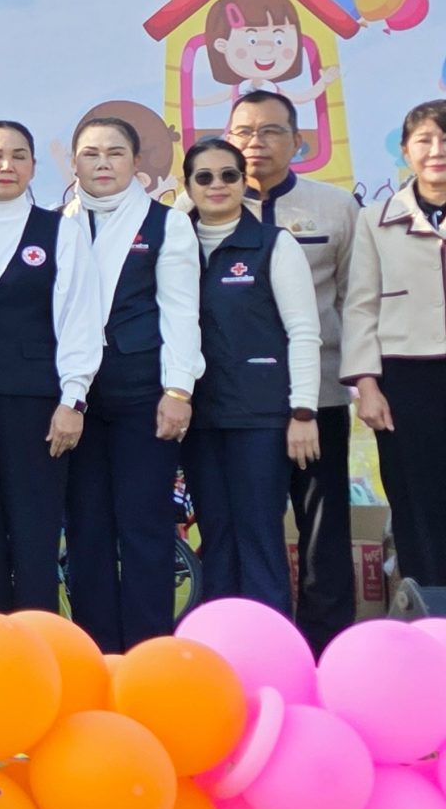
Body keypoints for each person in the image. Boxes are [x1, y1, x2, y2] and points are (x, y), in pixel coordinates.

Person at [0, 121, 104, 614]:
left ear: (33, 166)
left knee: (35, 530)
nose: (6, 165)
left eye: (19, 155)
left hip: (37, 403)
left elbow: (80, 320)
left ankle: (37, 638)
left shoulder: (61, 232)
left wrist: (73, 399)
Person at [60, 114, 201, 651]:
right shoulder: (57, 223)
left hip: (144, 393)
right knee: (86, 529)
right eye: (91, 153)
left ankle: (148, 652)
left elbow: (181, 313)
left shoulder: (167, 224)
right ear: (74, 164)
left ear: (136, 162)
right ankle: (95, 651)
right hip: (75, 400)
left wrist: (178, 390)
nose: (103, 164)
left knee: (144, 527)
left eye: (115, 153)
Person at [230, 90, 360, 649]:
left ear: (298, 141)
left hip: (320, 397)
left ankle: (327, 651)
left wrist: (361, 380)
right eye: (243, 131)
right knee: (246, 530)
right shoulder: (199, 205)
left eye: (270, 131)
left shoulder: (335, 207)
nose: (255, 143)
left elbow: (356, 301)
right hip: (238, 402)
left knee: (323, 532)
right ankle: (257, 648)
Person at [181, 136, 321, 610]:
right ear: (188, 186)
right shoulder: (174, 246)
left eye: (229, 175)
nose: (217, 185)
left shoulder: (273, 244)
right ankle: (218, 642)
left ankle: (270, 644)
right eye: (204, 177)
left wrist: (303, 411)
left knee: (259, 534)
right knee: (216, 535)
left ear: (245, 183)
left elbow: (304, 331)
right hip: (197, 418)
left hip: (261, 417)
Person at [343, 99, 446, 590]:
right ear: (406, 150)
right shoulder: (377, 219)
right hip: (406, 377)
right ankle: (432, 609)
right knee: (417, 499)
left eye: (445, 140)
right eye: (425, 140)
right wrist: (367, 386)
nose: (437, 150)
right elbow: (360, 306)